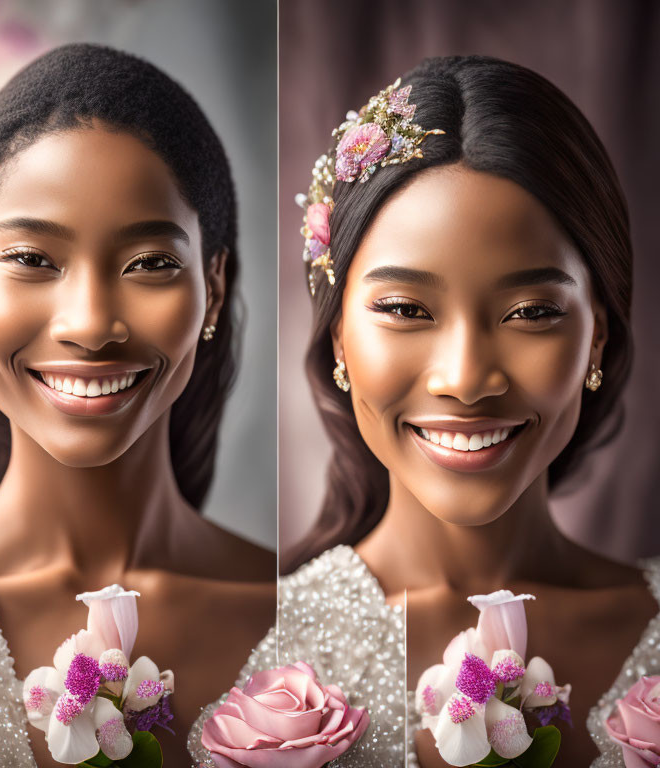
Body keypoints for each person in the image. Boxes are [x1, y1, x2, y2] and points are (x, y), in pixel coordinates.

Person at [190, 55, 658, 767]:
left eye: (531, 311)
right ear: (340, 336)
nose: (467, 379)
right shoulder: (229, 652)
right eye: (406, 309)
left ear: (598, 331)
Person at [0, 42, 275, 768]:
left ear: (214, 289)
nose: (92, 323)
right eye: (33, 260)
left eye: (150, 265)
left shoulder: (320, 625)